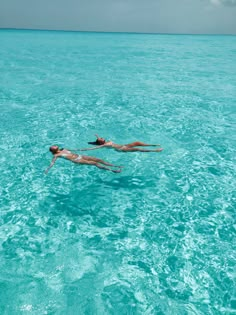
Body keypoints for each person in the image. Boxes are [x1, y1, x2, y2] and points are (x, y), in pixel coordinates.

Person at [45, 146, 122, 174]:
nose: (55, 146)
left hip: (80, 156)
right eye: (53, 147)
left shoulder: (63, 149)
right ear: (53, 150)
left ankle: (114, 165)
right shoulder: (56, 155)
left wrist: (82, 149)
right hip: (76, 160)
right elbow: (52, 162)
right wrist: (48, 169)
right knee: (94, 163)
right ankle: (112, 170)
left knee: (98, 159)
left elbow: (74, 149)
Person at [77, 134, 163, 153]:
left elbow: (97, 141)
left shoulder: (105, 141)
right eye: (101, 138)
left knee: (137, 142)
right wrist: (85, 149)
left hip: (124, 145)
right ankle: (155, 150)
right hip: (122, 149)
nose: (102, 137)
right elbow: (95, 147)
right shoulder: (105, 144)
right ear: (101, 142)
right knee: (137, 149)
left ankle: (151, 145)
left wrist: (96, 135)